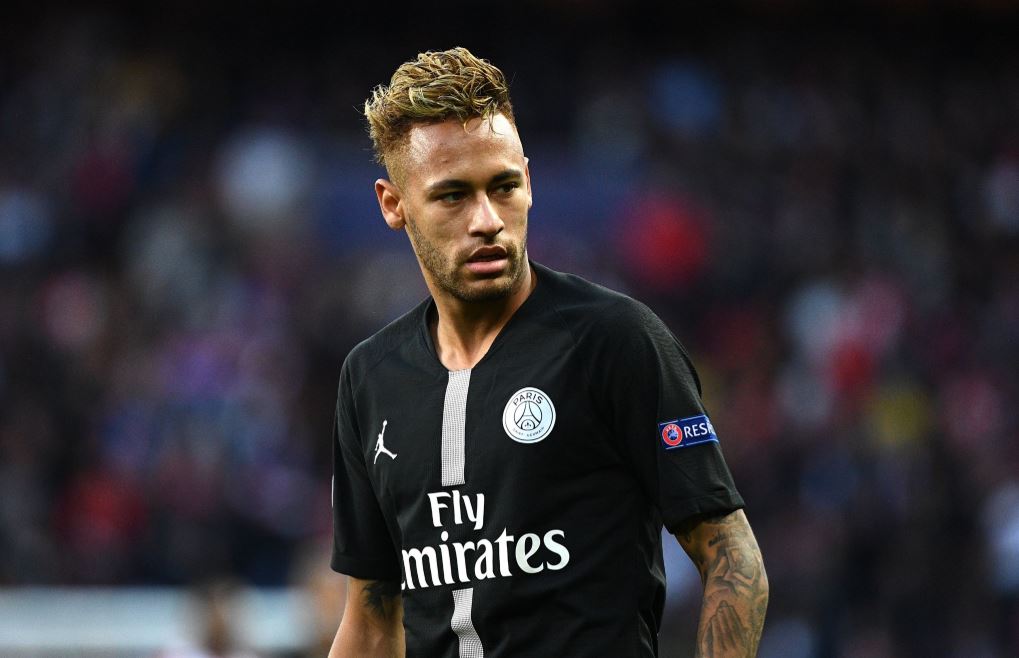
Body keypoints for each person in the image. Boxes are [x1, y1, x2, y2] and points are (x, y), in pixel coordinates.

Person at [328, 47, 768, 657]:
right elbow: (372, 619)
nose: (487, 220)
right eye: (453, 196)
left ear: (529, 183)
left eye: (504, 186)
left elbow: (732, 558)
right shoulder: (370, 377)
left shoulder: (614, 340)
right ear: (393, 204)